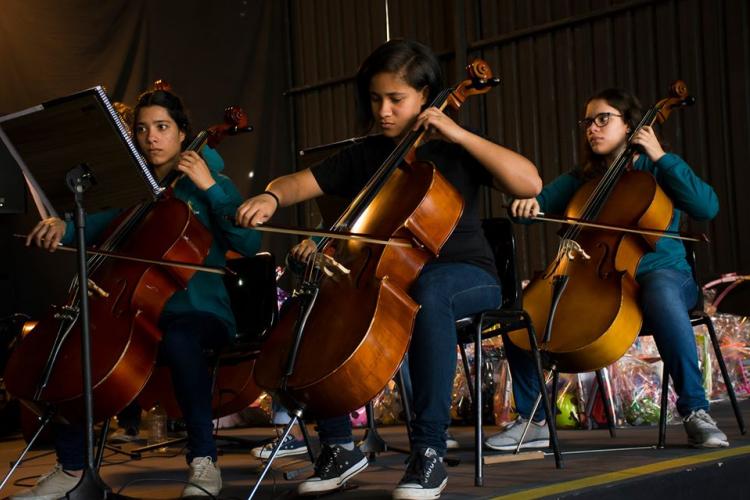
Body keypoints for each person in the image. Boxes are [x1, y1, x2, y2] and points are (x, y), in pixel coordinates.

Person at [236, 39, 541, 499]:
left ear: (425, 96)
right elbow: (300, 181)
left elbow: (529, 180)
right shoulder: (367, 154)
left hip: (468, 275)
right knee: (311, 310)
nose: (383, 110)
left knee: (431, 289)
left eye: (396, 99)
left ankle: (429, 452)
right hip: (394, 277)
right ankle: (339, 444)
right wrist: (271, 196)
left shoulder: (457, 149)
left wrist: (456, 133)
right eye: (376, 99)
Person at [14, 88, 261, 499]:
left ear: (183, 134)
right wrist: (64, 227)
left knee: (181, 338)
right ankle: (71, 467)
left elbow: (249, 242)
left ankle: (204, 461)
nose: (152, 137)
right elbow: (93, 224)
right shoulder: (136, 194)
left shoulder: (212, 183)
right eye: (143, 129)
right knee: (82, 346)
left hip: (199, 311)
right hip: (137, 314)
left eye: (163, 127)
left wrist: (209, 187)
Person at [485, 87, 727, 451]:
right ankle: (532, 420)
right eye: (588, 122)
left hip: (664, 276)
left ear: (630, 125)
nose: (592, 128)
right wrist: (524, 204)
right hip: (599, 279)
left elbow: (706, 207)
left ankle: (695, 411)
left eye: (603, 119)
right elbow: (539, 204)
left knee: (660, 292)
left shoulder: (656, 167)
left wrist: (660, 155)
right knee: (524, 312)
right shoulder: (583, 178)